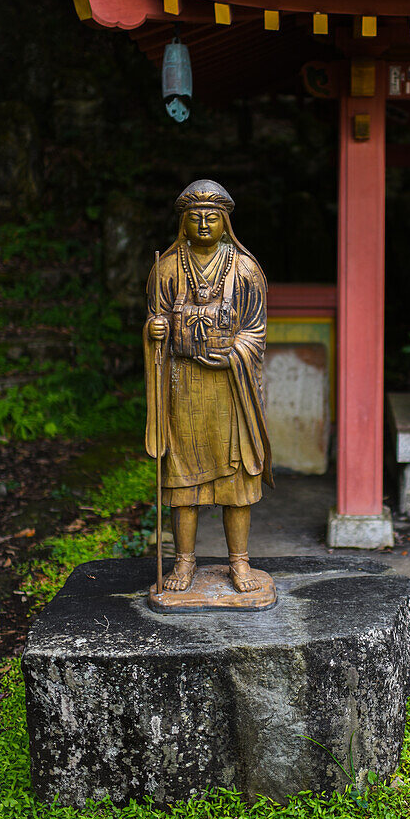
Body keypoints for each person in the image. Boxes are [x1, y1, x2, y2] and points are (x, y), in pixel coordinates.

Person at [144, 179, 272, 594]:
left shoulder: (245, 269)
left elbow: (257, 330)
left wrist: (236, 350)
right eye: (195, 217)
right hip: (182, 388)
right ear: (183, 222)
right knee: (183, 482)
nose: (203, 224)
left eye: (212, 217)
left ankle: (239, 562)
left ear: (226, 223)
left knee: (236, 482)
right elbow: (153, 322)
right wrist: (155, 330)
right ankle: (184, 562)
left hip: (229, 388)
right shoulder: (165, 267)